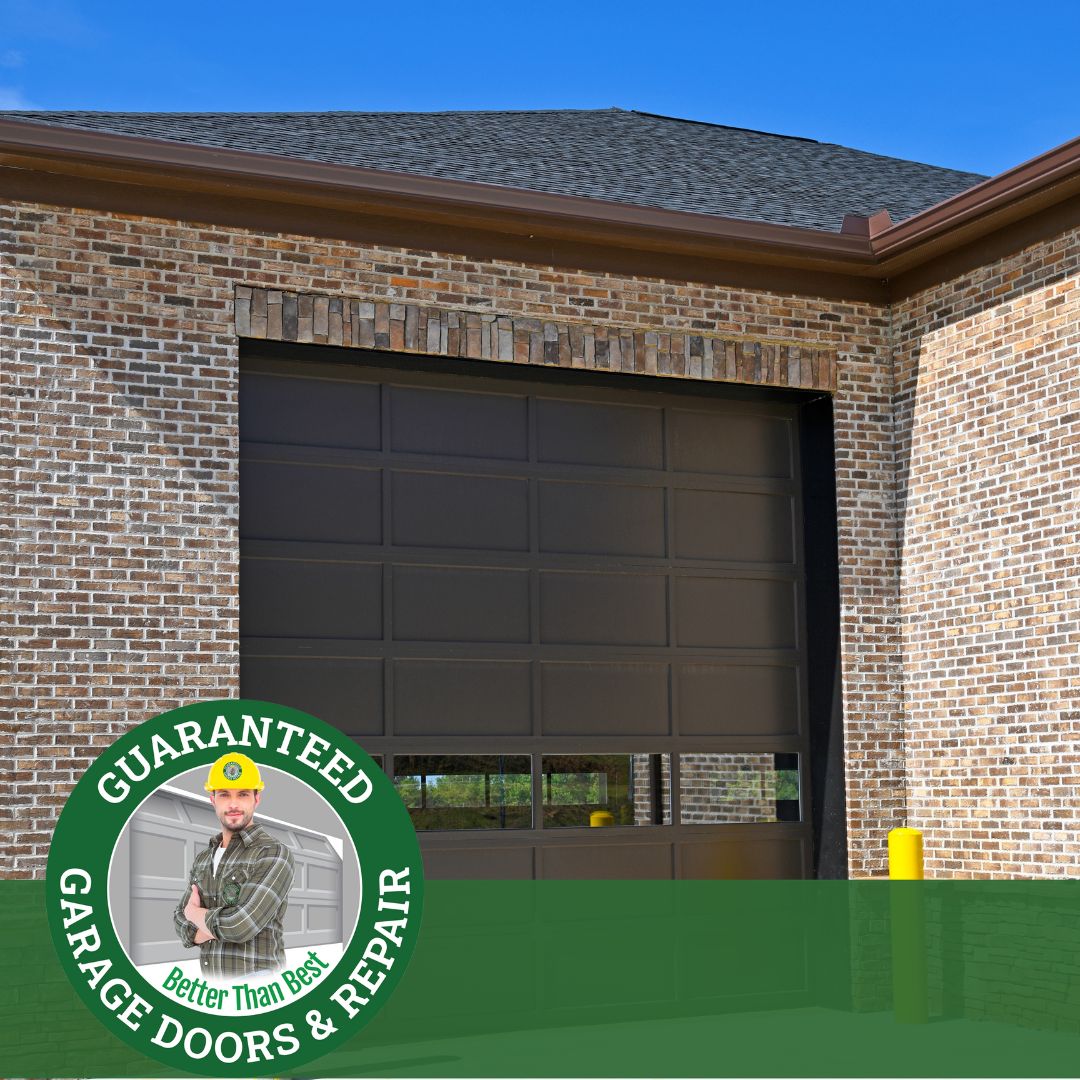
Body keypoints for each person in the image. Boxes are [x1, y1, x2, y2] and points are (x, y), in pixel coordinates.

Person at [172, 752, 295, 979]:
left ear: (256, 798)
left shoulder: (273, 853)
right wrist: (209, 926)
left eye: (243, 794)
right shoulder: (203, 858)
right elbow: (179, 920)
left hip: (260, 983)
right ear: (213, 799)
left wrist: (194, 913)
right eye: (224, 794)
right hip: (211, 985)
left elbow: (241, 926)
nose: (234, 804)